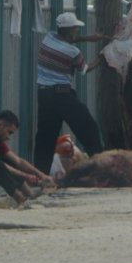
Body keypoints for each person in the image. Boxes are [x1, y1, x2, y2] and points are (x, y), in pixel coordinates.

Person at [34, 12, 106, 174]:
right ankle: (101, 167)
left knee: (45, 137)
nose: (77, 32)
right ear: (71, 29)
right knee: (88, 128)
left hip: (44, 95)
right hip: (62, 95)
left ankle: (40, 175)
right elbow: (85, 69)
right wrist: (102, 57)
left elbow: (70, 38)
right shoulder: (72, 52)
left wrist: (89, 38)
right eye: (75, 29)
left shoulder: (48, 38)